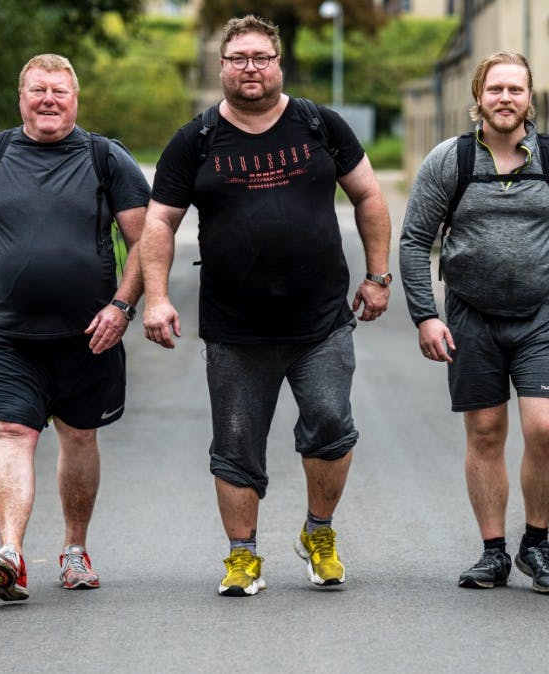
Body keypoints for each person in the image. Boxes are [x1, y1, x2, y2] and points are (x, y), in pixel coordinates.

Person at [140, 15, 392, 597]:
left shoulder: (318, 124)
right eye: (238, 58)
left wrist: (378, 276)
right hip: (235, 330)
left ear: (278, 64)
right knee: (235, 445)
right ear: (222, 67)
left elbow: (369, 196)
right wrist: (155, 298)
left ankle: (319, 534)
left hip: (321, 322)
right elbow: (159, 222)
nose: (249, 67)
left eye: (260, 57)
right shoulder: (195, 140)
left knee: (331, 425)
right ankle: (242, 556)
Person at [399, 51, 549, 595]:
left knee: (545, 427)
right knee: (486, 432)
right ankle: (493, 552)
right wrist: (425, 314)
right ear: (479, 98)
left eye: (515, 90)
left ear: (529, 97)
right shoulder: (450, 160)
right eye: (495, 89)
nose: (505, 99)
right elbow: (413, 241)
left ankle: (536, 544)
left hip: (539, 317)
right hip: (471, 318)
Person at [0, 54, 150, 601]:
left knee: (79, 435)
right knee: (12, 433)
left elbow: (145, 244)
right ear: (22, 98)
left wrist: (123, 307)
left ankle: (74, 550)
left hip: (91, 334)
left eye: (59, 91)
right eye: (39, 90)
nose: (49, 100)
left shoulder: (106, 158)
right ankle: (10, 553)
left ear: (75, 99)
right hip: (12, 336)